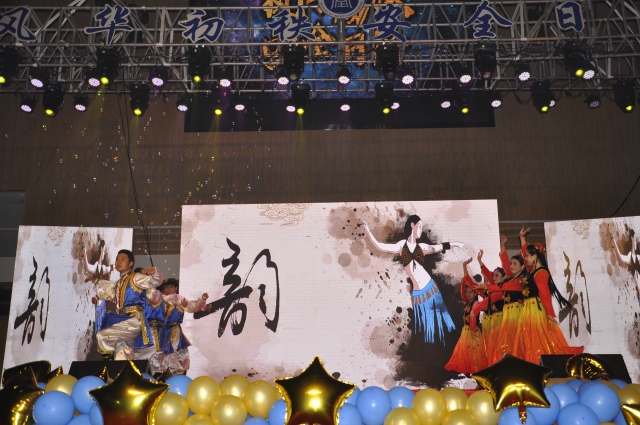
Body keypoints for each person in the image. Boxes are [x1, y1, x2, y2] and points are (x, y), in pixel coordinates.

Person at [363, 215, 466, 344]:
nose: (420, 230)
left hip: (431, 289)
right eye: (419, 226)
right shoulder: (402, 246)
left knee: (441, 323)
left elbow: (438, 247)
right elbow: (381, 247)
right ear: (412, 225)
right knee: (427, 329)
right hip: (419, 295)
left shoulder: (422, 247)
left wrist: (456, 244)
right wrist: (369, 233)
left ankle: (454, 343)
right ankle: (434, 350)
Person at [512, 242, 584, 364]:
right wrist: (522, 239)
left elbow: (544, 293)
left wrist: (550, 313)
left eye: (527, 256)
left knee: (539, 340)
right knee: (530, 341)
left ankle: (538, 363)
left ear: (535, 256)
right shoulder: (533, 272)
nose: (525, 258)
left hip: (535, 310)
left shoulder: (541, 273)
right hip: (529, 310)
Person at [86, 249, 163, 360]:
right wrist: (98, 296)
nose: (119, 262)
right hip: (123, 320)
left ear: (130, 263)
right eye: (117, 259)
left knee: (102, 336)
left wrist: (154, 271)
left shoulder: (135, 277)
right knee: (122, 356)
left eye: (123, 259)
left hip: (133, 320)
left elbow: (156, 281)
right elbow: (112, 293)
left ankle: (106, 362)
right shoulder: (120, 283)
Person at [160, 279, 210, 375]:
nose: (168, 289)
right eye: (166, 287)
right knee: (167, 352)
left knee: (181, 354)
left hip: (175, 330)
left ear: (176, 288)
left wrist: (202, 300)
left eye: (171, 286)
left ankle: (179, 375)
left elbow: (192, 306)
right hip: (164, 331)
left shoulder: (179, 300)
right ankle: (164, 373)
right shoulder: (161, 300)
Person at [444, 264, 486, 374]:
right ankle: (470, 373)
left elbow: (475, 317)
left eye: (471, 292)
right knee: (465, 355)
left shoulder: (476, 304)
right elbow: (462, 290)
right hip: (465, 332)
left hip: (473, 332)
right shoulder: (467, 304)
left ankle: (476, 375)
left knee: (474, 355)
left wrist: (473, 331)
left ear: (475, 293)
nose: (468, 294)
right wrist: (464, 268)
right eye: (467, 292)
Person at [471, 250, 506, 363]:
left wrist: (476, 310)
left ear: (504, 277)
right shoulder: (494, 288)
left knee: (499, 346)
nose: (493, 277)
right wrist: (480, 261)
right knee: (490, 347)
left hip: (500, 321)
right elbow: (488, 274)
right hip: (491, 321)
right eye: (493, 275)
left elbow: (488, 301)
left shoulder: (502, 290)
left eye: (497, 275)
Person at [613, 229, 640, 302]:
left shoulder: (638, 257)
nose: (635, 242)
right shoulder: (629, 258)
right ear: (631, 239)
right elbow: (621, 257)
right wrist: (615, 243)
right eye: (634, 239)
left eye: (635, 239)